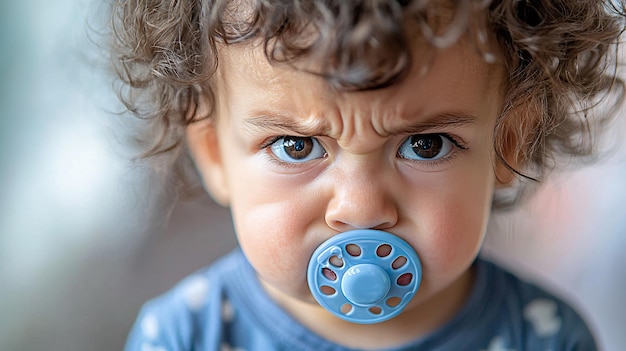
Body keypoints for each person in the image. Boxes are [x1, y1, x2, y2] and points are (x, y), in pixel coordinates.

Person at [109, 0, 625, 350]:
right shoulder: (183, 336)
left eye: (424, 145)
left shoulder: (545, 337)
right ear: (214, 153)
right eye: (297, 146)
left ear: (507, 145)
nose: (360, 208)